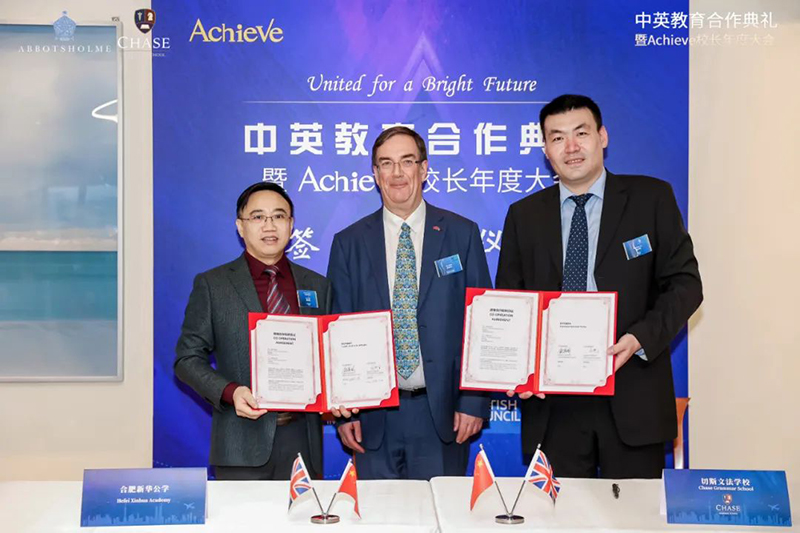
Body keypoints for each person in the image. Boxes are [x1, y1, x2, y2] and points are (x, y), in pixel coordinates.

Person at [496, 94, 703, 478]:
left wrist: (638, 339)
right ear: (546, 150)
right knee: (560, 511)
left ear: (602, 136)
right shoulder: (523, 216)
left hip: (632, 391)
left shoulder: (651, 199)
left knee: (633, 510)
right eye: (557, 138)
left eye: (581, 133)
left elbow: (685, 285)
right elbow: (511, 303)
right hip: (554, 405)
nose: (571, 147)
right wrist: (517, 367)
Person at [327, 126, 492, 480]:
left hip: (443, 414)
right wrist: (346, 411)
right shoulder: (349, 242)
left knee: (440, 510)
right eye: (386, 163)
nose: (397, 173)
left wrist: (474, 401)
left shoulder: (462, 234)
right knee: (377, 511)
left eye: (406, 161)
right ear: (375, 174)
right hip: (373, 417)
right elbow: (337, 330)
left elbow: (482, 324)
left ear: (424, 168)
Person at [174, 182, 331, 480]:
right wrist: (231, 392)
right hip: (240, 443)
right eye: (258, 217)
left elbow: (329, 356)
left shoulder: (317, 285)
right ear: (240, 226)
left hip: (303, 442)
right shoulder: (213, 285)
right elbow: (187, 359)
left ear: (291, 225)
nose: (269, 226)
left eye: (279, 216)